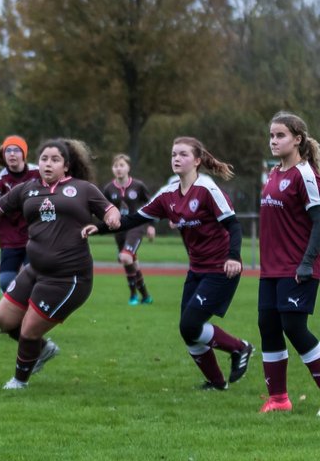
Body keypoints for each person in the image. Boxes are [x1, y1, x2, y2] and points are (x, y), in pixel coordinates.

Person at [0, 139, 119, 389]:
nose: (48, 163)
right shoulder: (27, 189)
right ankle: (43, 350)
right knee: (3, 319)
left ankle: (19, 381)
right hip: (35, 270)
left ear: (66, 166)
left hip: (69, 277)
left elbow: (111, 211)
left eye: (55, 160)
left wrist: (111, 218)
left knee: (29, 328)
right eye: (44, 158)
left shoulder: (83, 189)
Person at [90, 138, 253, 390]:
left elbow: (233, 225)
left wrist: (233, 257)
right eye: (174, 154)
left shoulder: (207, 188)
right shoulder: (168, 194)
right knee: (187, 330)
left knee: (190, 324)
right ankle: (216, 382)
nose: (176, 158)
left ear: (197, 160)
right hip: (197, 269)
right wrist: (98, 228)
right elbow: (133, 219)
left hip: (221, 268)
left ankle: (240, 348)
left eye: (183, 154)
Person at [256, 112, 320, 413]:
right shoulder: (274, 174)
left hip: (298, 267)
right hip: (271, 269)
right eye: (271, 135)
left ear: (297, 139)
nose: (273, 141)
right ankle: (279, 399)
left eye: (280, 135)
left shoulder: (305, 175)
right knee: (268, 325)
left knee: (294, 326)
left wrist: (307, 263)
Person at [99, 154, 155, 305]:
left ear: (128, 167)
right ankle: (145, 296)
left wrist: (150, 225)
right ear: (112, 168)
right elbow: (103, 208)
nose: (119, 169)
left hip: (136, 226)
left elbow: (151, 205)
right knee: (130, 262)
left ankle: (133, 296)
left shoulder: (138, 186)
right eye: (116, 166)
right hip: (119, 229)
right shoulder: (109, 189)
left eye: (122, 165)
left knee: (125, 257)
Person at [0, 136, 41, 292]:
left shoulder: (37, 172)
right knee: (5, 282)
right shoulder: (0, 179)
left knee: (32, 277)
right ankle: (12, 311)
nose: (12, 154)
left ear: (24, 154)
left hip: (35, 236)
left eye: (16, 150)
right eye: (8, 150)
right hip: (10, 238)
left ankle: (32, 312)